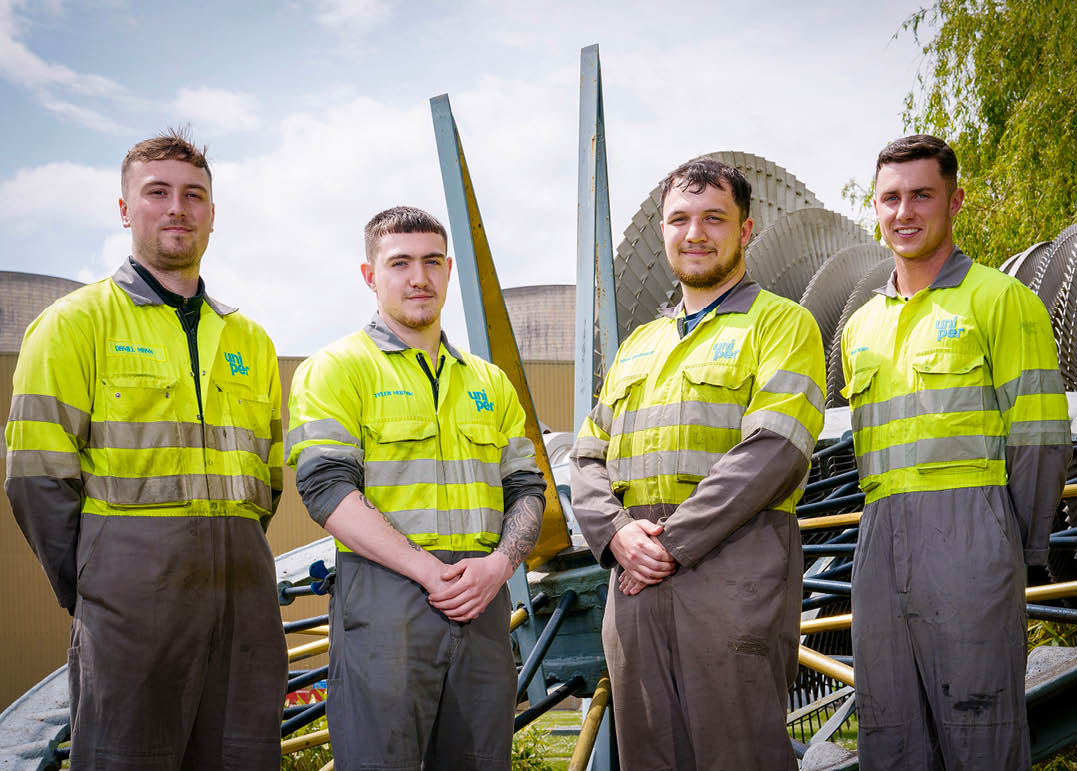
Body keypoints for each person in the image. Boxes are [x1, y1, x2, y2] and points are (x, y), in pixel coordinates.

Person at [4, 129, 287, 768]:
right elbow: (36, 479)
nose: (177, 208)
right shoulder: (75, 324)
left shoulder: (253, 341)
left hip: (243, 596)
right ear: (126, 208)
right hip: (128, 595)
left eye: (194, 195)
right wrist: (97, 581)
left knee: (243, 757)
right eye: (157, 192)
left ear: (213, 213)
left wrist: (226, 555)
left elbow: (267, 479)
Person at [570, 156, 825, 770]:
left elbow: (775, 451)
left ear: (746, 230)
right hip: (634, 580)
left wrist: (666, 545)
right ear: (662, 231)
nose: (695, 233)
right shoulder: (639, 346)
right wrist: (617, 534)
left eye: (714, 217)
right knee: (649, 755)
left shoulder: (782, 325)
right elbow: (586, 455)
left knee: (739, 754)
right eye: (679, 219)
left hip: (731, 569)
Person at [286, 205, 547, 770]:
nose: (418, 277)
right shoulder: (336, 368)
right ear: (369, 275)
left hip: (481, 598)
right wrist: (429, 572)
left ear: (449, 270)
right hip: (385, 600)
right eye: (399, 262)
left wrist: (500, 566)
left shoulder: (488, 382)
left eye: (431, 261)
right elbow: (325, 489)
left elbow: (526, 486)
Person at [840, 134, 1070, 769]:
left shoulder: (1000, 301)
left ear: (955, 200)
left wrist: (1012, 552)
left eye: (922, 195)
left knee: (983, 732)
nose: (904, 212)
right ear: (876, 206)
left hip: (974, 532)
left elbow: (1040, 441)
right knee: (889, 736)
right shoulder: (862, 326)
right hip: (881, 535)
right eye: (890, 198)